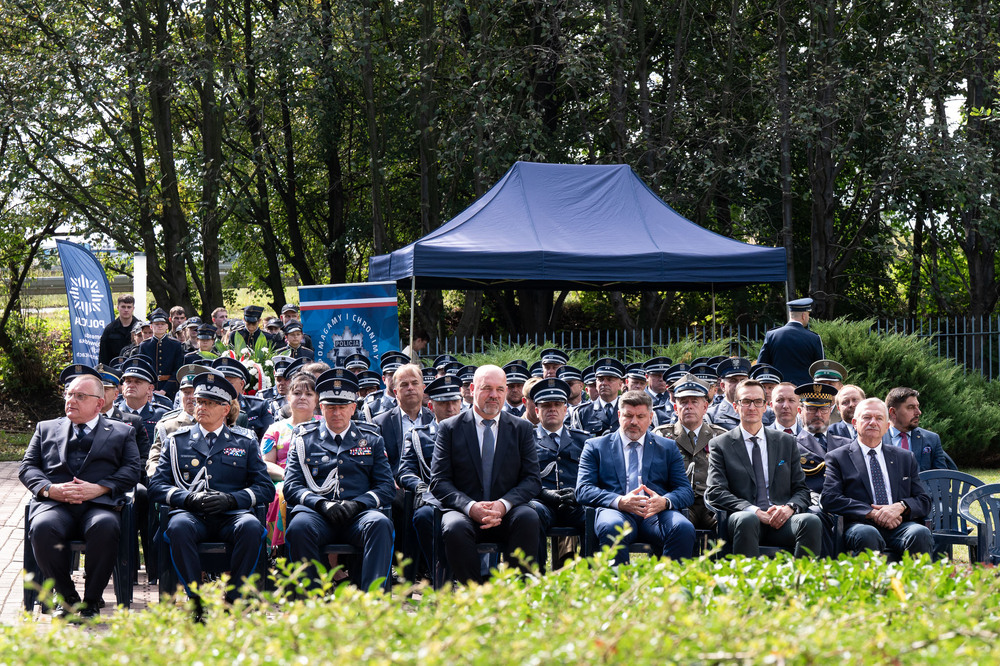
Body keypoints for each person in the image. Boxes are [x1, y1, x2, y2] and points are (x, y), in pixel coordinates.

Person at [149, 370, 274, 614]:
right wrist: (189, 498)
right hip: (192, 514)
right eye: (199, 402)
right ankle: (197, 600)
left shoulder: (245, 441)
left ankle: (234, 599)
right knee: (177, 527)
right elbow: (157, 486)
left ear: (225, 410)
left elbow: (264, 487)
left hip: (231, 515)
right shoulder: (177, 440)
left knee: (251, 527)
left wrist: (231, 500)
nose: (201, 407)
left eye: (208, 403)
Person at [20, 368, 140, 618]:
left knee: (105, 527)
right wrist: (50, 489)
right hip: (56, 504)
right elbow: (27, 467)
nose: (71, 400)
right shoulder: (46, 428)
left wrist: (99, 488)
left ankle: (92, 600)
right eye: (68, 394)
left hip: (99, 505)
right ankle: (67, 598)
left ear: (98, 404)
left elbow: (132, 470)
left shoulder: (121, 431)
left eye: (79, 396)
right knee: (42, 527)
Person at [283, 369, 394, 591]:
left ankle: (372, 601)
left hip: (358, 514)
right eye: (331, 406)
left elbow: (386, 487)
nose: (336, 413)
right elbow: (291, 486)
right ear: (320, 407)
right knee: (298, 527)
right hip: (317, 514)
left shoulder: (371, 438)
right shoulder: (304, 439)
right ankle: (311, 599)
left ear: (353, 408)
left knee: (380, 524)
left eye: (342, 406)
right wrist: (320, 503)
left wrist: (358, 503)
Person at [429, 364, 541, 584]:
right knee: (454, 527)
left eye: (500, 389)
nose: (494, 395)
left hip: (506, 513)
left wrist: (503, 504)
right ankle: (475, 595)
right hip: (465, 512)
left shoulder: (522, 429)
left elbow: (532, 480)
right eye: (486, 388)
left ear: (507, 391)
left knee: (529, 517)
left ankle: (516, 594)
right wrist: (471, 507)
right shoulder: (450, 429)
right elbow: (439, 481)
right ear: (471, 389)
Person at [705, 379, 822, 558]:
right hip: (744, 518)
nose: (752, 407)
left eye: (758, 402)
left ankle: (800, 582)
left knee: (811, 521)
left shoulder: (786, 442)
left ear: (765, 406)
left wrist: (789, 508)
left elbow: (801, 490)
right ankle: (747, 582)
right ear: (736, 406)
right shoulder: (720, 444)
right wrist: (754, 511)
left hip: (781, 520)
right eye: (746, 401)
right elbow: (716, 491)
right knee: (747, 519)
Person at [577, 390, 695, 564]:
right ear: (619, 415)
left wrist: (664, 501)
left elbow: (685, 491)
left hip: (655, 514)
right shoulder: (596, 447)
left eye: (640, 416)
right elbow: (583, 489)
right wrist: (619, 501)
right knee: (611, 528)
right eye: (628, 415)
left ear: (650, 417)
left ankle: (669, 586)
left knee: (683, 527)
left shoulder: (668, 447)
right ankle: (617, 588)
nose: (634, 422)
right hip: (616, 511)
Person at [820, 398, 933, 557]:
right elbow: (830, 498)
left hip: (899, 525)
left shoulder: (905, 457)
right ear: (854, 423)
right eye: (866, 417)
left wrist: (900, 507)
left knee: (920, 532)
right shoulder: (838, 457)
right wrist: (871, 513)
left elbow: (924, 500)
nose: (873, 422)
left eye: (879, 418)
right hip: (860, 525)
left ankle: (917, 582)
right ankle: (870, 582)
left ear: (887, 426)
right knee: (867, 534)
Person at [397, 375, 463, 577]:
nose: (450, 408)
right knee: (424, 517)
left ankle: (464, 573)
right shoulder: (418, 435)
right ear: (432, 406)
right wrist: (419, 486)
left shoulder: (472, 432)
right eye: (444, 403)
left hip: (467, 498)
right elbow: (404, 470)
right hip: (432, 499)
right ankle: (440, 573)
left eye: (454, 402)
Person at [526, 378, 589, 567]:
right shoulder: (525, 440)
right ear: (536, 411)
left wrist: (578, 495)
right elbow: (519, 478)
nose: (552, 409)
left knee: (595, 516)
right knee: (530, 515)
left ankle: (588, 578)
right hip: (542, 503)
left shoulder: (583, 440)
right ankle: (536, 578)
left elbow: (592, 477)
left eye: (557, 404)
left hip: (575, 502)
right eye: (546, 405)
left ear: (565, 410)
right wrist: (544, 494)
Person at [653, 375, 727, 531]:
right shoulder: (662, 435)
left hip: (712, 503)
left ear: (705, 407)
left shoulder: (720, 436)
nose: (689, 406)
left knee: (728, 527)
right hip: (678, 502)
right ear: (675, 408)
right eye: (683, 402)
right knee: (677, 527)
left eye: (694, 402)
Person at [260, 373, 320, 552]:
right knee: (282, 492)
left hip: (320, 479)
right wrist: (289, 475)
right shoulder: (275, 429)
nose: (302, 397)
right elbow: (265, 463)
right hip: (283, 477)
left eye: (309, 394)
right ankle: (279, 551)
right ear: (288, 397)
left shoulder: (324, 425)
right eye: (297, 393)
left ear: (317, 400)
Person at [756, 297, 825, 387]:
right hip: (805, 391)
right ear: (804, 316)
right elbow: (820, 368)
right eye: (808, 315)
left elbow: (762, 365)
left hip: (779, 389)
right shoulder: (814, 338)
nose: (808, 318)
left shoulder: (772, 335)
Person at [883, 387, 949, 472]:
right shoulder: (876, 439)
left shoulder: (931, 439)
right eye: (911, 407)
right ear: (893, 412)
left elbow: (941, 477)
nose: (918, 412)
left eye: (917, 406)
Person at [211, 357, 274, 440]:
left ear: (241, 384)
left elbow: (268, 438)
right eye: (220, 382)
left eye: (229, 383)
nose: (223, 387)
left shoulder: (259, 406)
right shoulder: (208, 406)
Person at [138, 308, 185, 400]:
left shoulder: (175, 345)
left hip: (170, 391)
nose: (160, 326)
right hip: (149, 390)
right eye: (156, 324)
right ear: (151, 326)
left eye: (162, 324)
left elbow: (178, 371)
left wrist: (165, 390)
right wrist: (149, 388)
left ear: (167, 326)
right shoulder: (144, 345)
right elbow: (143, 369)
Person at [570, 358, 625, 436]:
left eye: (610, 379)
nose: (604, 383)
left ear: (620, 384)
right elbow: (577, 443)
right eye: (601, 379)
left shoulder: (628, 409)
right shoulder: (582, 412)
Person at [707, 357, 751, 430]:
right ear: (723, 386)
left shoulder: (764, 412)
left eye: (742, 380)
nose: (739, 384)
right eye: (733, 381)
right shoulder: (711, 414)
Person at [99, 294, 136, 365]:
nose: (126, 310)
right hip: (114, 369)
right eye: (123, 307)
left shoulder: (140, 329)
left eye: (129, 307)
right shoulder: (109, 329)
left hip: (135, 368)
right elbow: (103, 355)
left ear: (133, 308)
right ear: (118, 308)